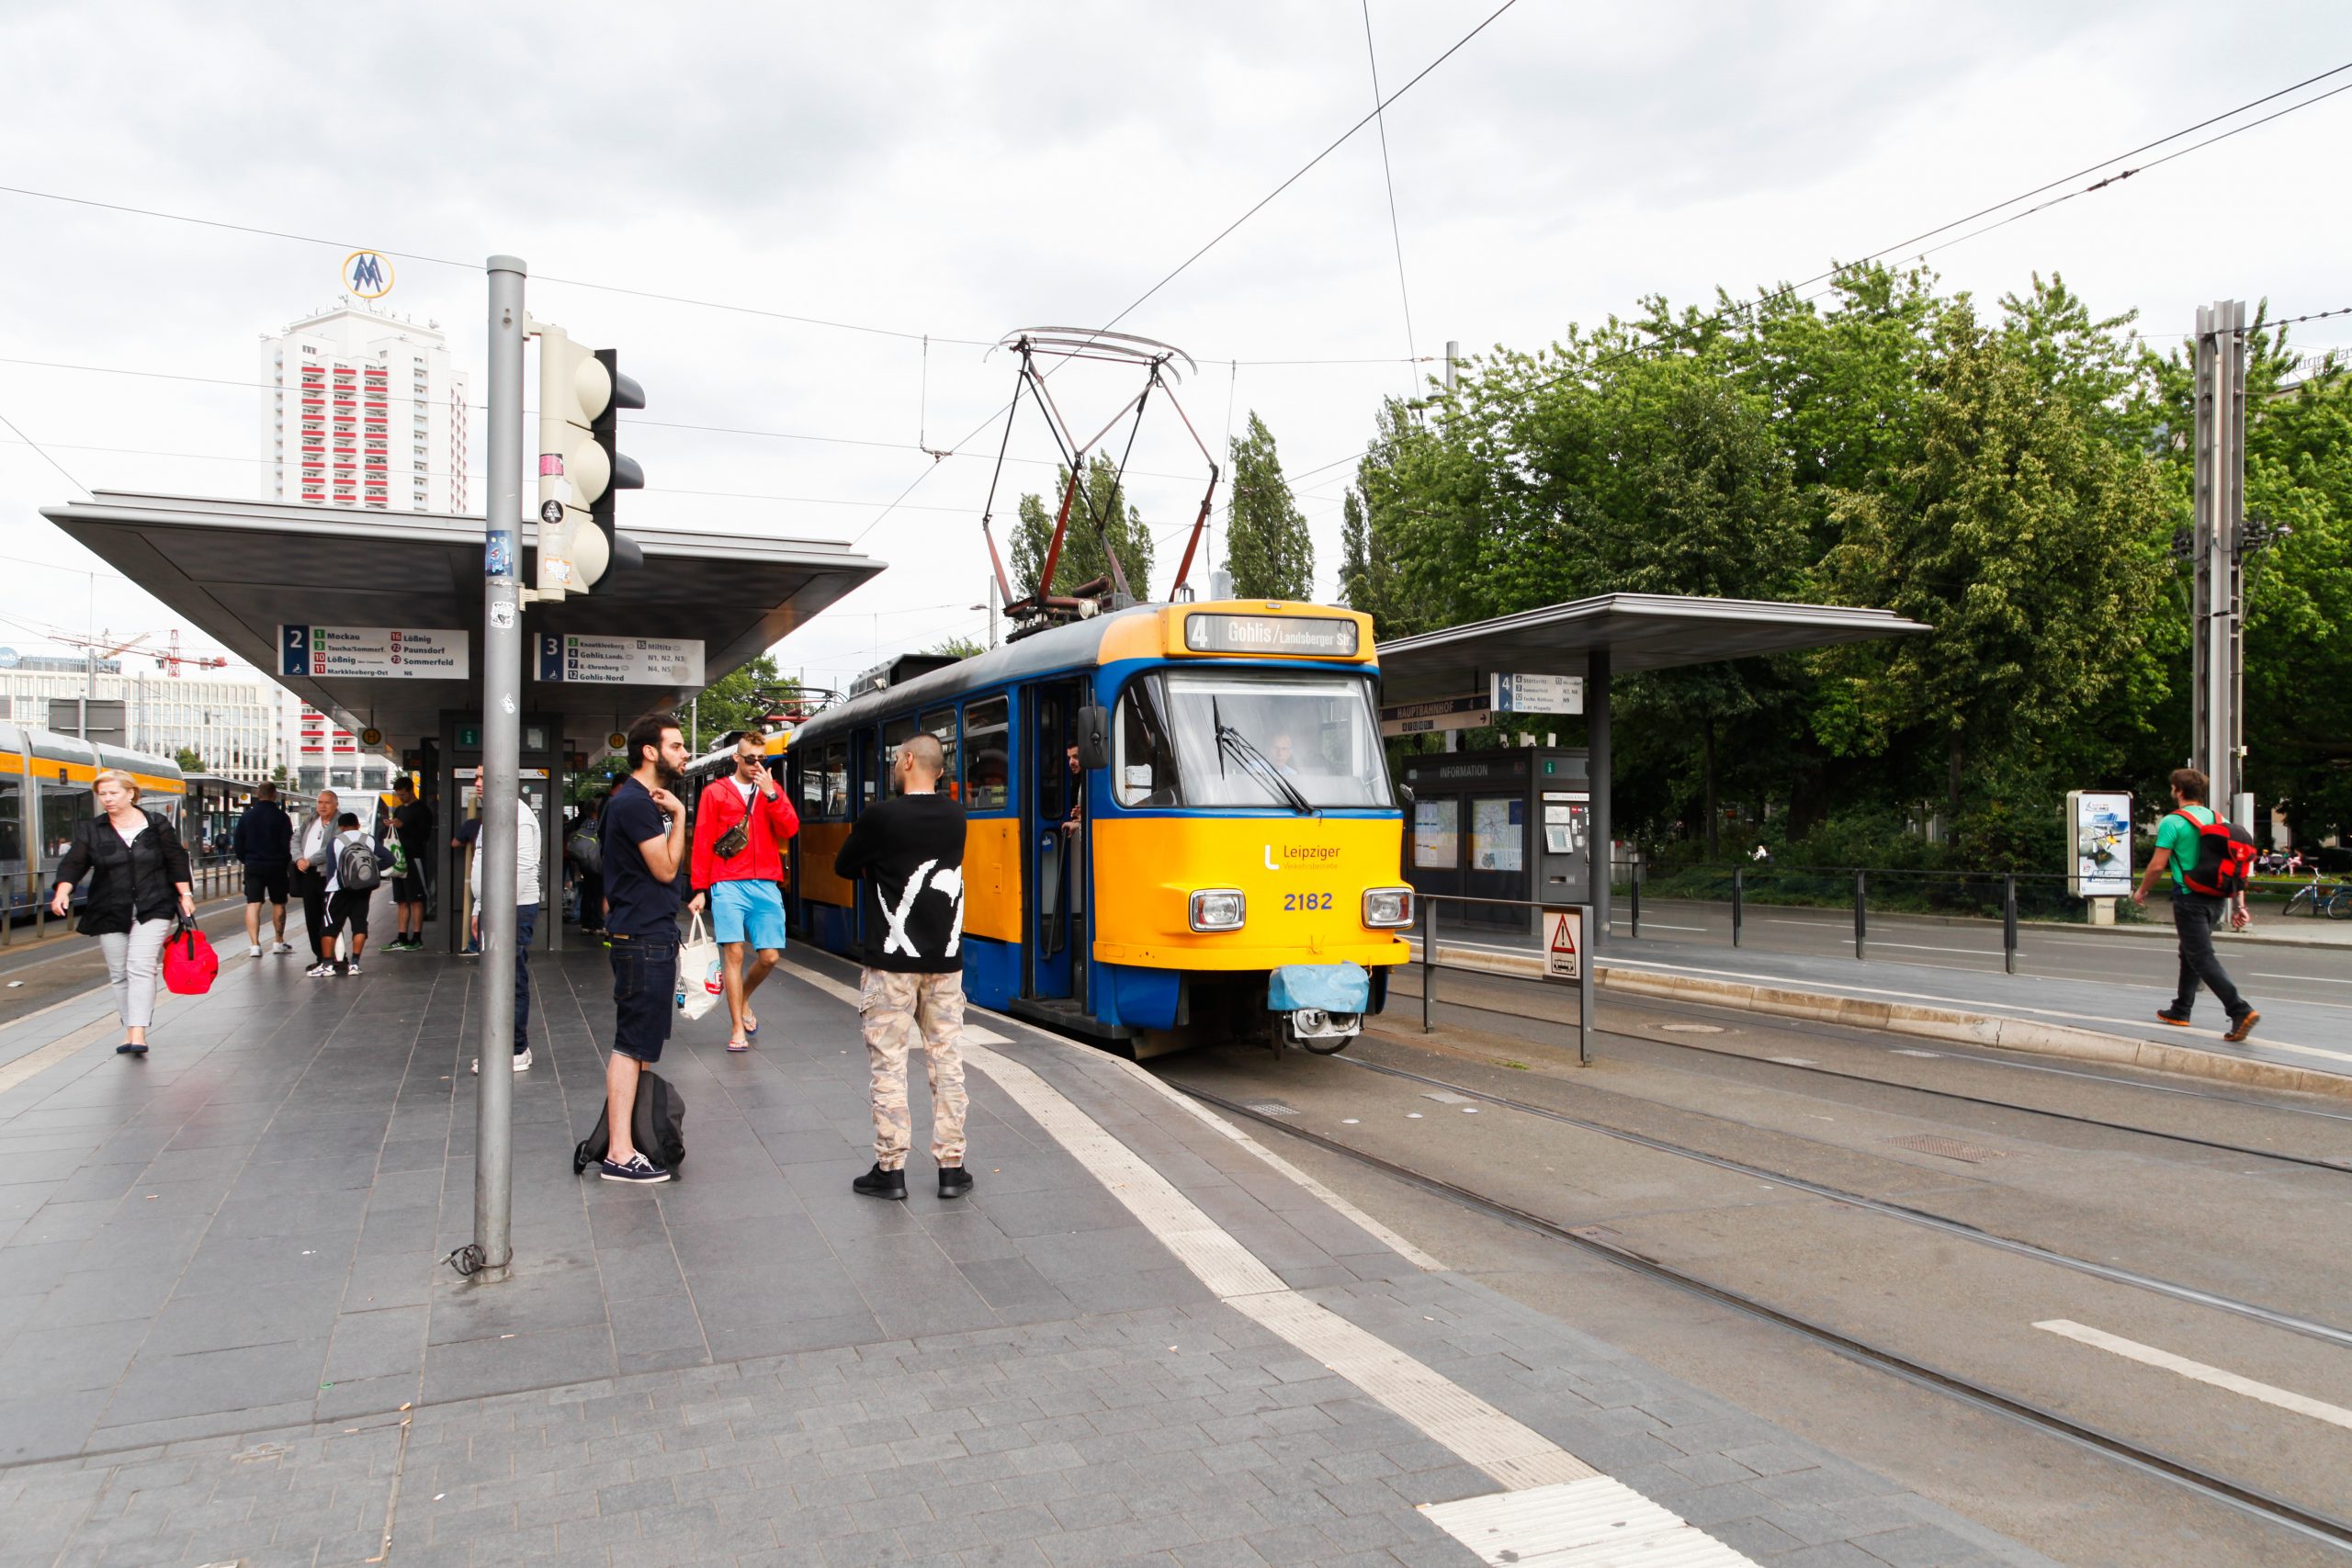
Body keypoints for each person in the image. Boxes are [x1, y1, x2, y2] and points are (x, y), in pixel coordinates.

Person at [834, 731, 971, 1201]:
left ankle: (891, 1171)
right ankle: (952, 1168)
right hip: (945, 960)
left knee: (889, 1063)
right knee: (947, 1060)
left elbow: (844, 865)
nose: (894, 766)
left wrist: (878, 865)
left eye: (896, 760)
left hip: (891, 962)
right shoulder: (957, 816)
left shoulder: (880, 817)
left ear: (909, 760)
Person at [596, 714, 689, 1183]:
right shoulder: (635, 804)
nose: (684, 753)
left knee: (641, 1045)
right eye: (676, 746)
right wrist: (681, 817)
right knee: (631, 1044)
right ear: (650, 751)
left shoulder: (633, 802)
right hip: (643, 939)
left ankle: (624, 1137)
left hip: (646, 935)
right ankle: (618, 1151)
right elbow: (668, 869)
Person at [51, 770, 196, 1056]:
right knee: (119, 973)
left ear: (130, 793)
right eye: (102, 794)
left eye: (113, 793)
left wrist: (185, 894)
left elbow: (175, 859)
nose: (107, 799)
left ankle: (137, 1033)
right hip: (108, 907)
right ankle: (130, 1026)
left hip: (154, 904)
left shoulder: (156, 824)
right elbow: (74, 862)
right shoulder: (93, 829)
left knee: (140, 966)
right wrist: (62, 890)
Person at [687, 732, 801, 1052]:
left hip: (765, 882)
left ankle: (744, 997)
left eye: (762, 760)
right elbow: (703, 839)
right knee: (734, 954)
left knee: (770, 956)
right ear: (736, 758)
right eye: (750, 759)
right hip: (726, 883)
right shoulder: (715, 792)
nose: (756, 765)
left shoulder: (771, 790)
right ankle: (737, 1027)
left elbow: (790, 829)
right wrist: (699, 889)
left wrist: (772, 797)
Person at [2134, 767, 2258, 1043]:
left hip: (2190, 898)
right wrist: (2239, 906)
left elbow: (2157, 866)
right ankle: (2181, 1009)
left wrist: (2141, 891)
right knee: (2190, 952)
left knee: (2201, 956)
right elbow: (2235, 866)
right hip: (2217, 898)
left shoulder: (2172, 822)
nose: (2171, 791)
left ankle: (2240, 1010)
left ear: (2179, 791)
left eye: (2172, 788)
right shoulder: (2219, 819)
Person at [470, 794, 543, 1074]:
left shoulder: (520, 815)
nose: (477, 783)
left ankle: (516, 1049)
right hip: (497, 907)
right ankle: (501, 1048)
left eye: (481, 776)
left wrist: (496, 910)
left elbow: (523, 866)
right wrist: (479, 907)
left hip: (513, 909)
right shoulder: (495, 812)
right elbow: (483, 863)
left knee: (510, 977)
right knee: (497, 977)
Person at [232, 781, 296, 957]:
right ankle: (278, 941)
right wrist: (284, 860)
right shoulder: (282, 817)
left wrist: (247, 859)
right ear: (274, 795)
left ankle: (254, 946)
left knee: (253, 904)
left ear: (258, 795)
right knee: (279, 902)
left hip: (253, 865)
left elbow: (238, 843)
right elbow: (287, 844)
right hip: (276, 866)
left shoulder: (246, 817)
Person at [315, 812, 375, 977]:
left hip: (338, 889)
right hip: (363, 888)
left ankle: (327, 965)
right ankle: (355, 965)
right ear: (357, 825)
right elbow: (389, 859)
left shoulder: (335, 841)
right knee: (359, 925)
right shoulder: (369, 840)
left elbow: (331, 868)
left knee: (329, 926)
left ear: (341, 827)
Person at [291, 789, 341, 967]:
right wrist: (299, 859)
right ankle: (320, 957)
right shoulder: (311, 819)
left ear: (335, 805)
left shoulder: (339, 822)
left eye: (327, 802)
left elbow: (332, 846)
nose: (322, 806)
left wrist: (309, 860)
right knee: (312, 917)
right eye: (320, 802)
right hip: (308, 875)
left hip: (327, 875)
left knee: (330, 917)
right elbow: (295, 839)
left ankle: (335, 957)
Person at [386, 779, 434, 951]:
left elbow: (424, 835)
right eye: (398, 795)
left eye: (403, 794)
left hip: (414, 858)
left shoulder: (422, 810)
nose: (401, 798)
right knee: (401, 899)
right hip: (399, 859)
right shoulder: (399, 809)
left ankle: (417, 936)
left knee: (416, 898)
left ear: (411, 791)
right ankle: (402, 936)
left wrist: (403, 826)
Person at [571, 790, 607, 938]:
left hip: (585, 863)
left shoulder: (584, 823)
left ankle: (586, 923)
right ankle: (598, 924)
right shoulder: (597, 824)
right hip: (597, 863)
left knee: (588, 892)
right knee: (600, 894)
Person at [451, 809, 484, 954]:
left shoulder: (472, 824)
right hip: (503, 872)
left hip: (479, 870)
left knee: (479, 905)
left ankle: (474, 945)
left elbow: (454, 843)